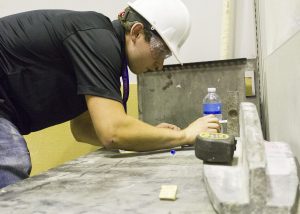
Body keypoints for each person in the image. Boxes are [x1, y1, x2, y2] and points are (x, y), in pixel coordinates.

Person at [0, 0, 220, 188]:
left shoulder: (98, 49)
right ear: (135, 32)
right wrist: (184, 136)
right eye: (160, 51)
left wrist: (150, 135)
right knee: (9, 158)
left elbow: (83, 128)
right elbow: (112, 133)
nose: (160, 64)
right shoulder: (97, 39)